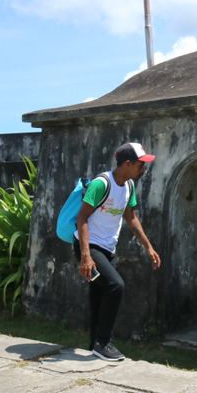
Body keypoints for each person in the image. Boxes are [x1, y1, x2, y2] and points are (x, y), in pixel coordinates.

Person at [74, 142, 161, 361]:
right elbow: (82, 218)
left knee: (100, 294)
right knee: (115, 285)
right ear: (128, 164)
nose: (144, 169)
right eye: (141, 165)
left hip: (107, 248)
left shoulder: (129, 186)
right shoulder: (101, 184)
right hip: (89, 246)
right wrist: (85, 256)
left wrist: (148, 246)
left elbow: (131, 217)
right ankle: (104, 343)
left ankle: (94, 344)